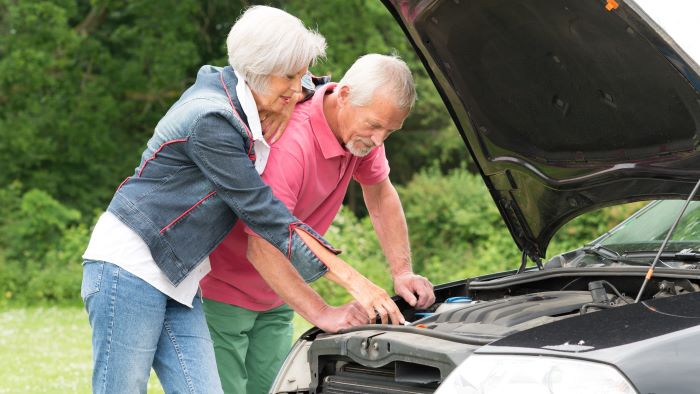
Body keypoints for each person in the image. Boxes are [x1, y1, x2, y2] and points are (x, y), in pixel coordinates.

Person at [80, 7, 402, 394]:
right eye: (288, 77)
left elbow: (324, 89)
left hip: (180, 279)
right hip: (130, 268)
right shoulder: (211, 121)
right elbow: (266, 216)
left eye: (300, 75)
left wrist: (282, 100)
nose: (298, 88)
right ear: (258, 70)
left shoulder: (257, 96)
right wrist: (355, 283)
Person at [201, 54, 436, 394]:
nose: (379, 140)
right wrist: (324, 313)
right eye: (374, 125)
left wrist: (402, 271)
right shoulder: (292, 145)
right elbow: (263, 245)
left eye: (390, 130)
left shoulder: (362, 133)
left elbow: (381, 194)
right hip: (223, 292)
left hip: (279, 293)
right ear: (343, 95)